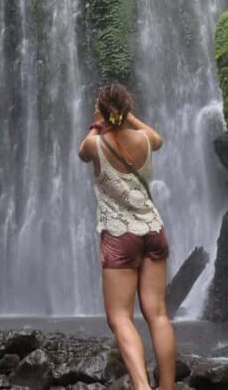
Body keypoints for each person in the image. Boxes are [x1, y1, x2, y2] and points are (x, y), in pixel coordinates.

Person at [79, 83, 176, 390]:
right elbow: (158, 138)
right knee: (158, 314)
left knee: (120, 317)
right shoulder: (146, 140)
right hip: (153, 230)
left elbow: (83, 149)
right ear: (127, 109)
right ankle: (169, 387)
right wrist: (130, 119)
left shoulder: (96, 144)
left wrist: (98, 124)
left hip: (120, 235)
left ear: (101, 111)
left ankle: (142, 386)